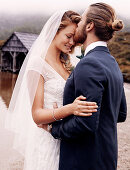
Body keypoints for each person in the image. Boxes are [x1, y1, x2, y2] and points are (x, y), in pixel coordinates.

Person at [5, 10, 98, 170]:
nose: (71, 43)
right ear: (54, 31)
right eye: (68, 36)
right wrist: (70, 109)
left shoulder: (69, 64)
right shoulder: (37, 63)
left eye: (74, 39)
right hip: (46, 142)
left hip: (67, 137)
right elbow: (37, 115)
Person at [50, 3, 127, 170]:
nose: (78, 25)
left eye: (82, 19)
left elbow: (85, 124)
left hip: (83, 161)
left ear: (90, 25)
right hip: (107, 159)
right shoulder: (113, 63)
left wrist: (54, 128)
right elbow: (120, 114)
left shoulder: (88, 64)